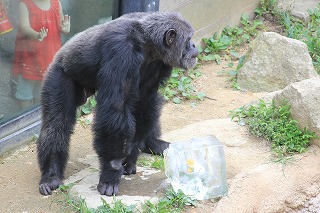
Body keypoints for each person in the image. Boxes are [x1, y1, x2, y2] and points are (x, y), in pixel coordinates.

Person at [11, 0, 70, 109]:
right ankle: (25, 118)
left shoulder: (56, 3)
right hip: (30, 56)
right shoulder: (25, 3)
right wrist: (36, 35)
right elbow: (24, 27)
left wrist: (65, 28)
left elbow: (61, 25)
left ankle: (37, 115)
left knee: (42, 90)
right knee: (25, 89)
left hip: (49, 54)